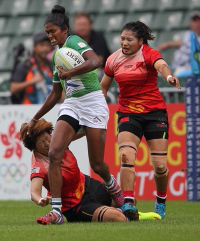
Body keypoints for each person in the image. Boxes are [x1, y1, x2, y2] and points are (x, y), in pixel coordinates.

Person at [26, 5, 125, 225]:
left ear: (65, 30)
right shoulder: (57, 56)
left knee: (97, 164)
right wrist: (34, 119)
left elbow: (96, 61)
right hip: (72, 104)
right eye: (47, 33)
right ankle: (58, 211)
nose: (50, 36)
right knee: (54, 152)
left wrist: (69, 72)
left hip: (93, 102)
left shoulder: (74, 42)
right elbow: (55, 94)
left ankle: (112, 185)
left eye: (53, 32)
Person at [100, 21, 181, 219]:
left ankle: (160, 200)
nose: (124, 43)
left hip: (155, 113)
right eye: (122, 39)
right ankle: (129, 203)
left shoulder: (148, 53)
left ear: (140, 41)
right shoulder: (113, 60)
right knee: (126, 156)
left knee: (160, 165)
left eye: (129, 39)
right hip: (128, 113)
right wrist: (96, 106)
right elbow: (103, 86)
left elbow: (161, 66)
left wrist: (169, 77)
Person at [20, 118, 161, 224]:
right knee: (117, 217)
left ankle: (131, 214)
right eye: (41, 143)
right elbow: (34, 191)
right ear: (35, 148)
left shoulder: (57, 141)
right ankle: (131, 217)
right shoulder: (38, 164)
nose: (47, 143)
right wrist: (40, 199)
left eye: (46, 138)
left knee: (131, 202)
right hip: (76, 206)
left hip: (88, 184)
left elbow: (84, 131)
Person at [10, 31, 53, 104]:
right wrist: (32, 81)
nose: (45, 48)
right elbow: (13, 88)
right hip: (28, 110)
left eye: (48, 45)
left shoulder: (52, 65)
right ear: (34, 47)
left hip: (49, 109)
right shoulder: (25, 65)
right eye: (42, 45)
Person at [157, 10, 200, 77]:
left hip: (188, 68)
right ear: (191, 24)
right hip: (176, 66)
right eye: (195, 21)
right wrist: (168, 44)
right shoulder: (188, 34)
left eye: (199, 21)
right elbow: (183, 43)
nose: (197, 23)